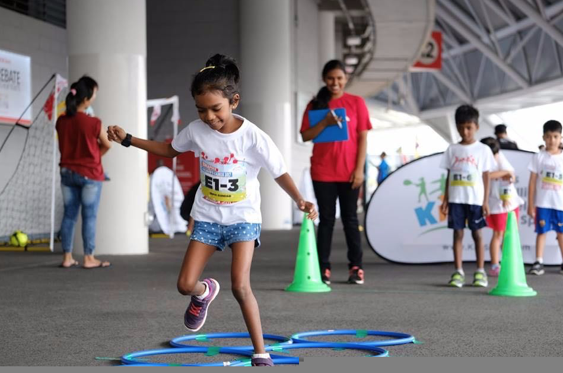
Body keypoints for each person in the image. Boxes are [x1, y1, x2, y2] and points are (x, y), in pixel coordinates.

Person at [107, 54, 317, 367]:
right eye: (201, 109)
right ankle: (204, 293)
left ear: (234, 101)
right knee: (184, 285)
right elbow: (168, 150)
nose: (208, 116)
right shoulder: (195, 131)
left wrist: (300, 200)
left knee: (240, 286)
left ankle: (261, 352)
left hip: (243, 219)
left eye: (215, 108)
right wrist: (127, 139)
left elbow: (279, 172)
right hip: (206, 217)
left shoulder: (253, 137)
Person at [300, 59, 372, 285]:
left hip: (350, 172)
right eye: (331, 78)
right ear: (324, 79)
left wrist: (359, 169)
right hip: (323, 172)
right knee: (327, 220)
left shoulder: (356, 102)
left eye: (339, 78)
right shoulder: (315, 104)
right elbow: (305, 135)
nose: (335, 82)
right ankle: (323, 269)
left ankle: (356, 267)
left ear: (346, 79)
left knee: (351, 220)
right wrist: (326, 122)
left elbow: (362, 137)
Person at [56, 76, 112, 269]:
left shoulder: (61, 121)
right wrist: (95, 156)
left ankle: (67, 257)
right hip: (90, 174)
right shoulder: (94, 122)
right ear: (86, 99)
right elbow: (107, 144)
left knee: (69, 215)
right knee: (89, 216)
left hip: (66, 172)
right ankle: (89, 258)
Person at [440, 105, 495, 288]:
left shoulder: (483, 150)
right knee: (457, 233)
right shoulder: (452, 149)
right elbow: (449, 175)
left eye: (469, 127)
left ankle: (480, 271)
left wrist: (485, 201)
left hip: (475, 200)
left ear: (477, 127)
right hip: (456, 199)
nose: (465, 131)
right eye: (461, 127)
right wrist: (446, 199)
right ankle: (458, 272)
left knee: (478, 234)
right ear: (456, 126)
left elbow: (486, 176)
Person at [480, 137, 523, 277]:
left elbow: (511, 175)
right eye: (492, 154)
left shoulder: (499, 157)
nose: (495, 157)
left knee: (509, 234)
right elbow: (486, 175)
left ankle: (507, 263)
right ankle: (494, 265)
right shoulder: (481, 161)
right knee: (498, 234)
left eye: (496, 154)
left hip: (510, 202)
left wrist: (505, 174)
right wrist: (503, 173)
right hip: (495, 205)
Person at [527, 120, 563, 276]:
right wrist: (530, 204)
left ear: (561, 137)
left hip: (560, 203)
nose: (552, 140)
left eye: (555, 136)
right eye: (548, 136)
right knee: (541, 231)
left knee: (561, 233)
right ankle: (538, 261)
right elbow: (532, 182)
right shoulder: (538, 157)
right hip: (543, 203)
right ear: (543, 137)